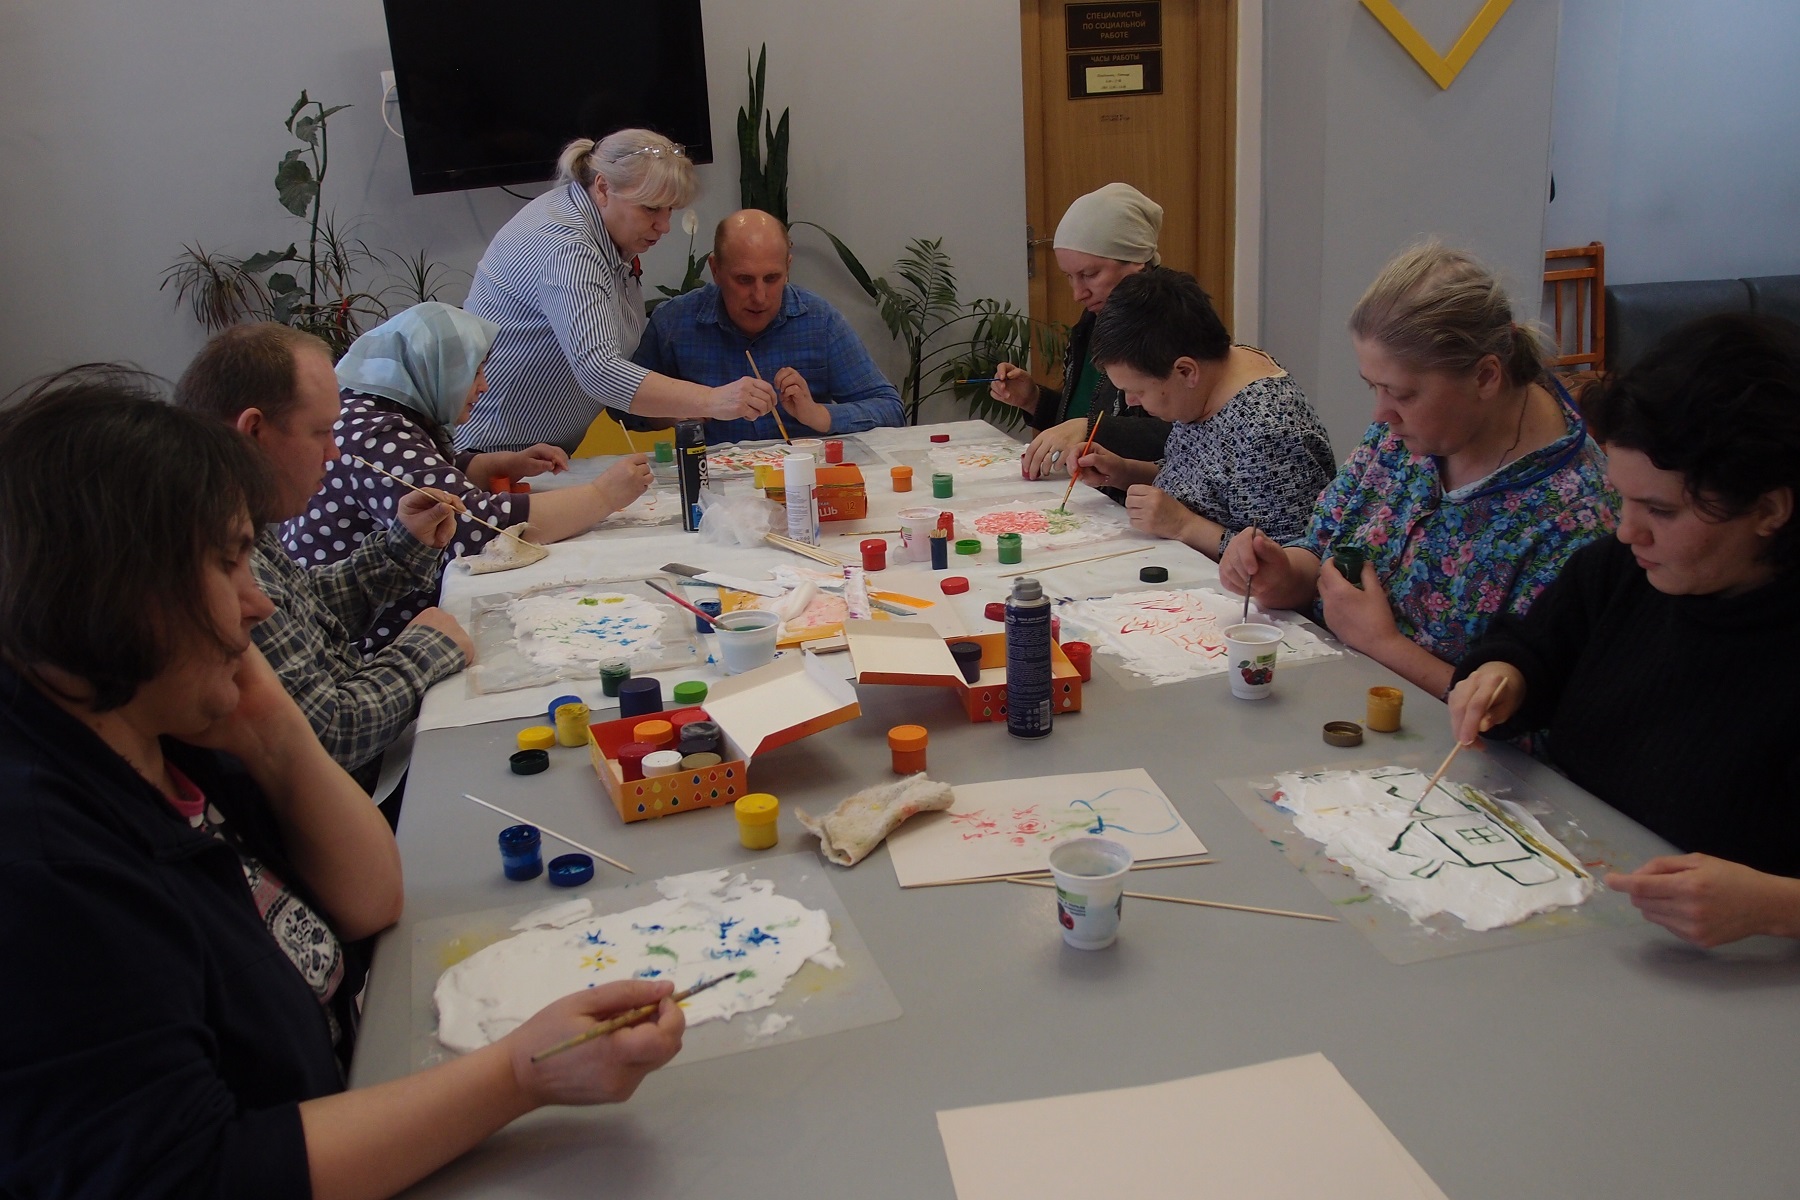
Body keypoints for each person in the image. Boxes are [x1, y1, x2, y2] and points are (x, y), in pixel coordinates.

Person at [0, 370, 684, 1198]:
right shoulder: (49, 871)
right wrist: (518, 1077)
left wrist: (265, 716)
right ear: (122, 598)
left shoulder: (171, 726)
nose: (260, 604)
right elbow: (201, 1172)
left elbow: (368, 902)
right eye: (228, 565)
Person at [1448, 314, 1800, 948]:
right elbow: (1532, 647)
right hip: (1575, 906)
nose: (1626, 531)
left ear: (1770, 509)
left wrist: (1777, 906)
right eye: (1622, 499)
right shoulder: (1624, 572)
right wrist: (1506, 675)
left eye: (1661, 510)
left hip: (1739, 973)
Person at [1220, 243, 1615, 698]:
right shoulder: (1407, 435)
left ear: (1486, 376)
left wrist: (1381, 643)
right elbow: (1322, 548)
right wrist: (1282, 572)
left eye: (1402, 393)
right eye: (1374, 387)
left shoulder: (1577, 515)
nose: (1381, 413)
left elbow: (1532, 723)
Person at [176, 323, 470, 792]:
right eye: (320, 433)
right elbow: (327, 734)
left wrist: (402, 548)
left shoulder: (241, 516)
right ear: (253, 431)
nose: (333, 452)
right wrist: (424, 651)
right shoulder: (219, 552)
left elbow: (305, 609)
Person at [286, 302, 653, 653]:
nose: (483, 386)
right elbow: (474, 531)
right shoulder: (376, 433)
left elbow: (426, 473)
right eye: (475, 371)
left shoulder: (376, 412)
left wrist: (493, 465)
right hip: (370, 640)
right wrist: (602, 496)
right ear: (436, 367)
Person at [458, 129, 777, 454]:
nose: (664, 225)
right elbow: (598, 368)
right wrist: (713, 399)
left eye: (670, 210)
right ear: (602, 188)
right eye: (651, 208)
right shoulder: (569, 247)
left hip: (531, 451)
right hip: (488, 452)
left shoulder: (599, 226)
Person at [1069, 267, 1335, 557]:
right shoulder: (1210, 379)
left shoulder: (1269, 432)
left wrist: (1184, 524)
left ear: (1185, 371)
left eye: (1139, 391)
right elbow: (1197, 480)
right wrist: (1123, 471)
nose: (1130, 401)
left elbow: (1288, 563)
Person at [631, 209, 905, 443]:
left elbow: (891, 410)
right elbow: (622, 408)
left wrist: (818, 414)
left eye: (772, 278)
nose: (760, 296)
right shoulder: (674, 323)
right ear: (715, 270)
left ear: (788, 267)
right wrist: (682, 407)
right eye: (744, 279)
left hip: (800, 481)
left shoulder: (819, 321)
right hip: (716, 487)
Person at [988, 182, 1173, 479]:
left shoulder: (1173, 322)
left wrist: (1090, 428)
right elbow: (1078, 416)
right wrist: (1033, 399)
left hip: (1145, 498)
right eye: (1070, 277)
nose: (1078, 293)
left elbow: (1182, 437)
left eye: (1089, 274)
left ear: (1137, 261)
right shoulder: (1094, 318)